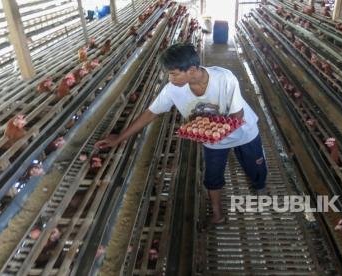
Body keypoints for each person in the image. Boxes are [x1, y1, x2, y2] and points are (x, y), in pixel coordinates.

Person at [95, 43, 267, 224]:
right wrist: (119, 138)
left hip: (243, 132)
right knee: (212, 177)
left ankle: (259, 186)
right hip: (213, 141)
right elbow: (151, 112)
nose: (170, 78)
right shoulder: (173, 89)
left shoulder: (224, 78)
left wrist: (206, 131)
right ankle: (218, 215)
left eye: (174, 73)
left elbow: (237, 115)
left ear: (192, 70)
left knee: (255, 167)